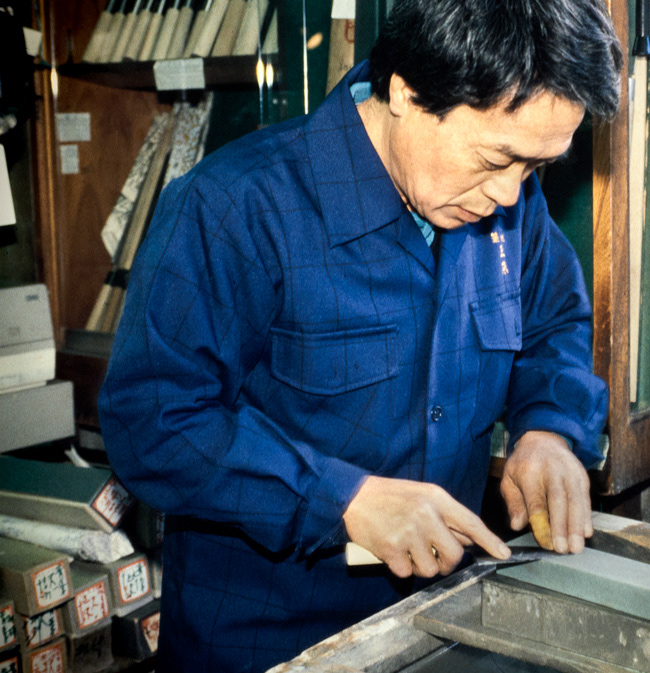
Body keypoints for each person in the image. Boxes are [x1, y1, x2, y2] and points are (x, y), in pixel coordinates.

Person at [98, 0, 623, 670]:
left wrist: (549, 428)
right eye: (498, 157)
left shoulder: (505, 206)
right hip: (270, 642)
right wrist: (339, 498)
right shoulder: (234, 208)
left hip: (441, 625)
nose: (511, 195)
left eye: (534, 168)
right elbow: (153, 421)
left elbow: (553, 322)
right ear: (405, 89)